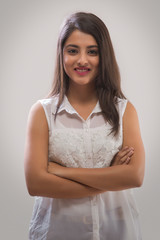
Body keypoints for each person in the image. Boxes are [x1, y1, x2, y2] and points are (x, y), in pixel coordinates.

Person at [24, 12, 145, 240]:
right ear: (61, 55)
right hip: (57, 232)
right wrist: (110, 177)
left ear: (104, 55)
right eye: (72, 50)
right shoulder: (42, 113)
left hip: (117, 231)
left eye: (92, 51)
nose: (82, 60)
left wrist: (61, 172)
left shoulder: (124, 111)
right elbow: (36, 183)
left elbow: (134, 177)